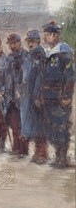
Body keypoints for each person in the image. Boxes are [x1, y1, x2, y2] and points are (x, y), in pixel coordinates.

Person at [40, 21, 74, 168]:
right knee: (51, 127)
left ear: (55, 35)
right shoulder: (48, 53)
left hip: (60, 97)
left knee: (61, 126)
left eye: (47, 35)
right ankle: (58, 155)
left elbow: (70, 76)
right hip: (48, 96)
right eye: (45, 34)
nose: (45, 37)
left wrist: (66, 96)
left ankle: (62, 157)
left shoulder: (65, 52)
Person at [0, 33, 28, 156]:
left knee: (23, 125)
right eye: (10, 43)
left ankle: (23, 150)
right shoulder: (8, 59)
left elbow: (28, 77)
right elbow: (1, 77)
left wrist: (22, 90)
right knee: (14, 123)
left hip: (23, 98)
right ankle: (16, 147)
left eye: (14, 43)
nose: (12, 45)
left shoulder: (26, 57)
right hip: (10, 97)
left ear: (19, 43)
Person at [21, 30, 47, 164]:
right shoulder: (29, 55)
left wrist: (38, 95)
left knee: (39, 124)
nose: (30, 43)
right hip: (28, 95)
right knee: (31, 124)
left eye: (32, 41)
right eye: (29, 41)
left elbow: (41, 77)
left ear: (38, 41)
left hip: (36, 95)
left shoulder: (40, 55)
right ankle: (37, 152)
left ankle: (42, 153)